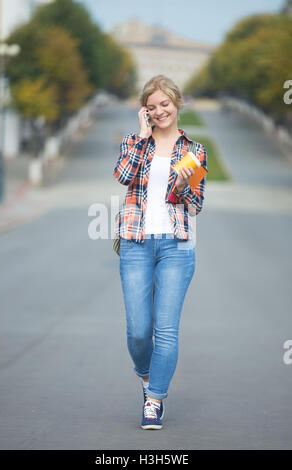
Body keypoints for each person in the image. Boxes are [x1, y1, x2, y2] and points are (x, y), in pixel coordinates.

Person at [113, 75, 208, 430]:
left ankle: (154, 401)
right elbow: (122, 175)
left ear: (176, 103)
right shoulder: (133, 142)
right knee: (139, 330)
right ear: (144, 111)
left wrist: (184, 185)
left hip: (177, 246)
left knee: (166, 330)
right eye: (151, 107)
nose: (159, 112)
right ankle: (146, 375)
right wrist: (140, 137)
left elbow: (196, 205)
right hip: (136, 242)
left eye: (164, 104)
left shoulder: (194, 151)